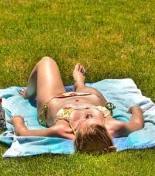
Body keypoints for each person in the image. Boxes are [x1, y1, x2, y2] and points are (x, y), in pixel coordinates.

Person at [8, 56, 144, 154]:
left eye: (85, 120)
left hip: (56, 98)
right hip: (90, 97)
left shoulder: (62, 130)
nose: (88, 114)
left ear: (76, 133)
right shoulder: (115, 127)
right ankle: (79, 83)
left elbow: (23, 133)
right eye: (95, 121)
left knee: (46, 62)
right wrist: (135, 109)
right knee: (81, 87)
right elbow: (137, 123)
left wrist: (17, 121)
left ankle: (29, 93)